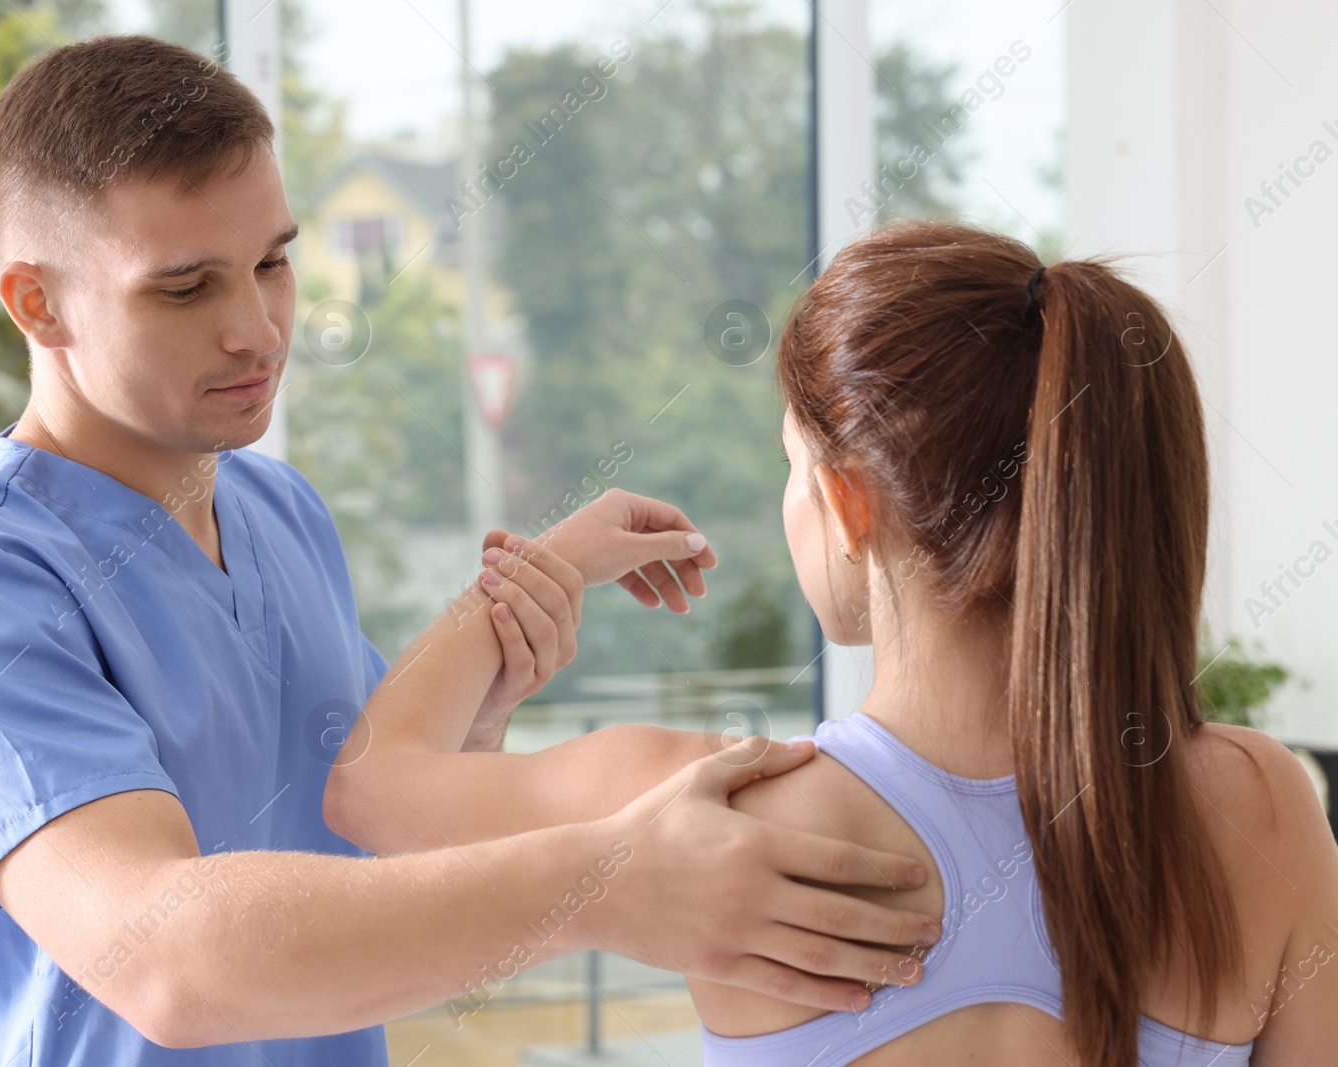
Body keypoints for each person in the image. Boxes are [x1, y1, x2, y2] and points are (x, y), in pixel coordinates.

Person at [0, 35, 941, 1066]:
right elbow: (162, 955)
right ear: (39, 303)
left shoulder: (278, 512)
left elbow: (376, 857)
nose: (259, 329)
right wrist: (610, 880)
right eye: (187, 286)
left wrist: (487, 689)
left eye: (271, 262)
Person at [328, 220, 1338, 1066]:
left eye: (790, 465)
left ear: (845, 503)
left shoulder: (716, 807)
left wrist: (530, 571)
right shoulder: (1262, 805)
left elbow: (371, 789)